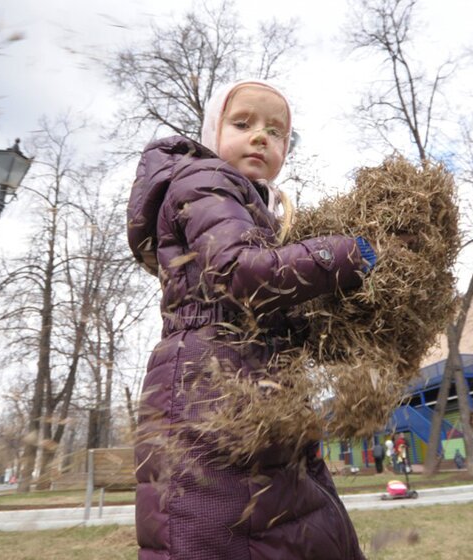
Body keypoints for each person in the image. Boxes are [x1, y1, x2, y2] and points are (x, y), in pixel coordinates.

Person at [128, 80, 378, 559]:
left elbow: (272, 304)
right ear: (212, 131)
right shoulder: (204, 183)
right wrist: (345, 254)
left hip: (257, 386)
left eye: (277, 132)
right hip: (207, 390)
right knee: (207, 528)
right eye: (243, 124)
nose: (262, 137)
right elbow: (241, 274)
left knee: (302, 524)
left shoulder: (254, 208)